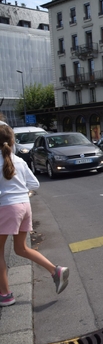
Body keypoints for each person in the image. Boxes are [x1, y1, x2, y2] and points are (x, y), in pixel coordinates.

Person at [0, 125, 69, 307]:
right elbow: (35, 184)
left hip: (6, 208)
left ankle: (5, 295)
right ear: (12, 142)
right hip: (24, 206)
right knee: (21, 248)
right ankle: (55, 270)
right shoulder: (20, 161)